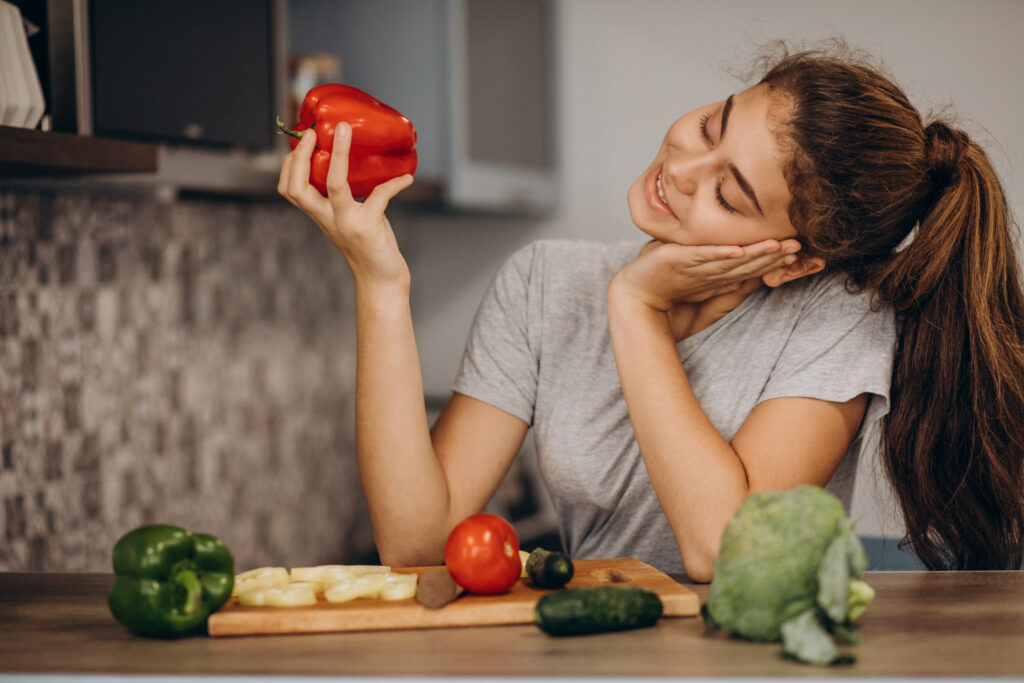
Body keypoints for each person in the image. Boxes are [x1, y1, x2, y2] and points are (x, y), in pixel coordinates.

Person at [278, 44, 1024, 580]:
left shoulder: (836, 320)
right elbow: (415, 544)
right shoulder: (544, 282)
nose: (681, 167)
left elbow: (726, 552)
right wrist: (380, 283)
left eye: (728, 193)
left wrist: (636, 307)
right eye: (710, 127)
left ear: (794, 260)